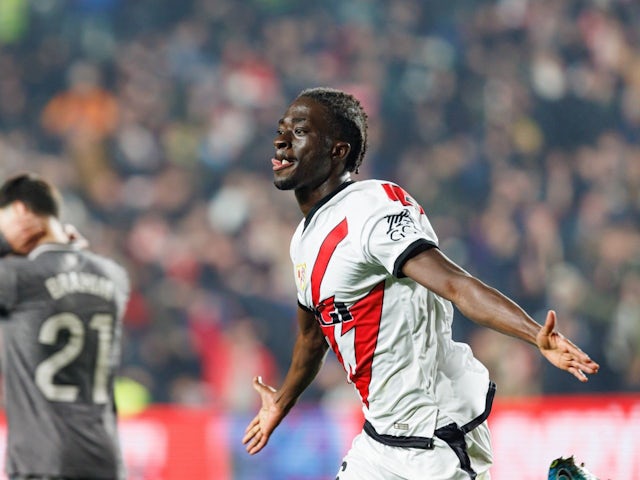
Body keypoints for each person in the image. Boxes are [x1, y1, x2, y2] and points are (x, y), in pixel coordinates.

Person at [242, 88, 600, 479]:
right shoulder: (304, 239)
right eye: (281, 129)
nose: (281, 139)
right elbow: (313, 338)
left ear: (337, 150)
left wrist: (536, 335)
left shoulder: (372, 211)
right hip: (381, 438)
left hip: (435, 430)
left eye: (300, 131)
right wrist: (281, 401)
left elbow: (456, 285)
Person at [0, 173, 130, 480]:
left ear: (20, 211)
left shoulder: (17, 278)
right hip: (104, 459)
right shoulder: (114, 277)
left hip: (42, 459)